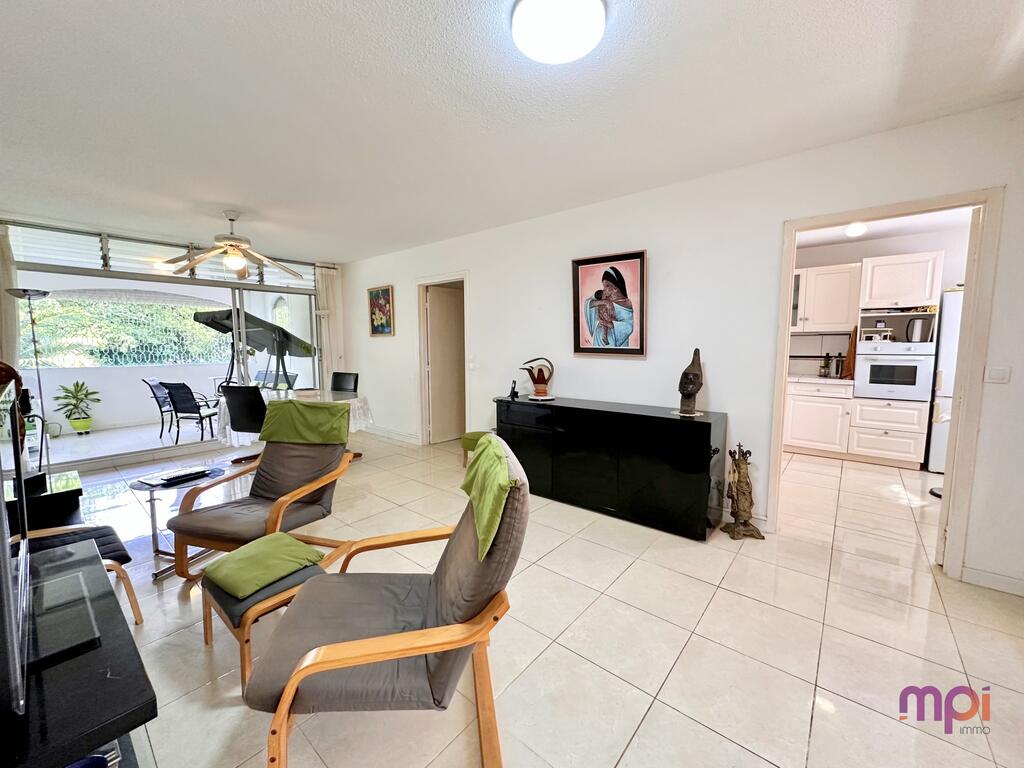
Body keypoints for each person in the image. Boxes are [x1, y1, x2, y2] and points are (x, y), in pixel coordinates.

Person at [583, 266, 634, 347]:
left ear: (615, 287)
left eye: (607, 286)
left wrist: (608, 324)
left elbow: (628, 327)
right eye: (603, 286)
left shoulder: (626, 303)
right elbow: (588, 304)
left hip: (615, 342)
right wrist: (605, 302)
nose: (604, 289)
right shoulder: (604, 296)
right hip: (598, 340)